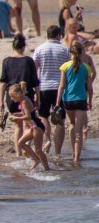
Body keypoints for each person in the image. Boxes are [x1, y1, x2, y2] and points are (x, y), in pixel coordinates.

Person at [33, 26, 71, 156]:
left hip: (43, 87)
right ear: (58, 35)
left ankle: (47, 140)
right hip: (60, 88)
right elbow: (68, 70)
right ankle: (58, 152)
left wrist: (35, 89)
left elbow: (35, 70)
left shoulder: (39, 49)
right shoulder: (64, 50)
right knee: (60, 119)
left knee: (43, 116)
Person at [0, 33, 40, 146]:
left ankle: (19, 153)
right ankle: (26, 149)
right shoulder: (28, 61)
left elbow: (3, 83)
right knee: (27, 124)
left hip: (11, 96)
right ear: (23, 46)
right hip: (26, 96)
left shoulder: (6, 61)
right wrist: (38, 98)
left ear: (13, 46)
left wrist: (1, 101)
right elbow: (35, 82)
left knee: (17, 125)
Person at [57, 40, 93, 165]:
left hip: (67, 100)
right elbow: (89, 87)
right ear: (81, 52)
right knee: (79, 131)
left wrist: (57, 103)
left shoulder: (65, 66)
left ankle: (73, 153)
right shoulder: (87, 67)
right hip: (81, 100)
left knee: (72, 124)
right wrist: (90, 100)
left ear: (70, 52)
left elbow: (61, 86)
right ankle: (76, 158)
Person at [7, 82, 50, 171]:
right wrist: (18, 114)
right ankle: (36, 159)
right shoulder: (24, 100)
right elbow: (28, 113)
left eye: (12, 96)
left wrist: (16, 117)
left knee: (38, 150)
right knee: (20, 143)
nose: (11, 98)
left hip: (37, 127)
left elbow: (28, 116)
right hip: (33, 127)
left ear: (18, 94)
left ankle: (47, 169)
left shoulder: (24, 101)